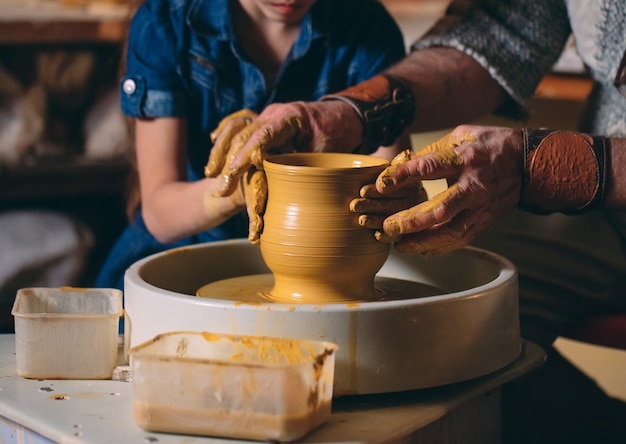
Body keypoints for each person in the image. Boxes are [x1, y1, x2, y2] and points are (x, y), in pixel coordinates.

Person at [207, 1, 626, 443]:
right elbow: (506, 30)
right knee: (444, 316)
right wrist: (354, 113)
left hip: (601, 180)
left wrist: (541, 167)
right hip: (604, 211)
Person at [95, 0, 409, 291]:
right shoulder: (166, 21)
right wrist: (239, 186)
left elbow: (387, 188)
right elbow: (160, 213)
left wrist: (401, 197)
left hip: (325, 260)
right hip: (182, 251)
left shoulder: (367, 25)